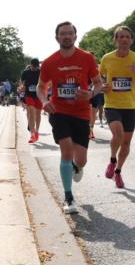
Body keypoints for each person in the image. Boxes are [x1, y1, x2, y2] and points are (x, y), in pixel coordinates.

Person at [38, 22, 102, 213]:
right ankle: (68, 198)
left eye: (69, 33)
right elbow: (41, 87)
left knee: (81, 160)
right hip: (59, 112)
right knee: (66, 151)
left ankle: (76, 166)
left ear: (75, 36)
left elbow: (98, 83)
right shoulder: (49, 62)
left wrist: (90, 93)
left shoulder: (87, 58)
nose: (66, 36)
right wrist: (44, 101)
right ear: (56, 37)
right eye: (63, 34)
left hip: (81, 113)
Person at [98, 25, 135, 188]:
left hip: (130, 106)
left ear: (131, 40)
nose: (124, 39)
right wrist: (103, 85)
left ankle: (118, 172)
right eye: (120, 37)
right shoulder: (107, 58)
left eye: (127, 37)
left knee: (126, 143)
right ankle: (112, 160)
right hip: (112, 104)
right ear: (115, 40)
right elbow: (98, 77)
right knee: (118, 134)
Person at [21, 59, 43, 142]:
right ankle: (32, 134)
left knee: (38, 114)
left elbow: (46, 82)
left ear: (38, 66)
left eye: (36, 67)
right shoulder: (25, 72)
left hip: (39, 95)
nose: (34, 68)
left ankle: (37, 131)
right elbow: (22, 82)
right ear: (30, 65)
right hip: (29, 95)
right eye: (33, 67)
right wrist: (22, 87)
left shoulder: (41, 72)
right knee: (31, 113)